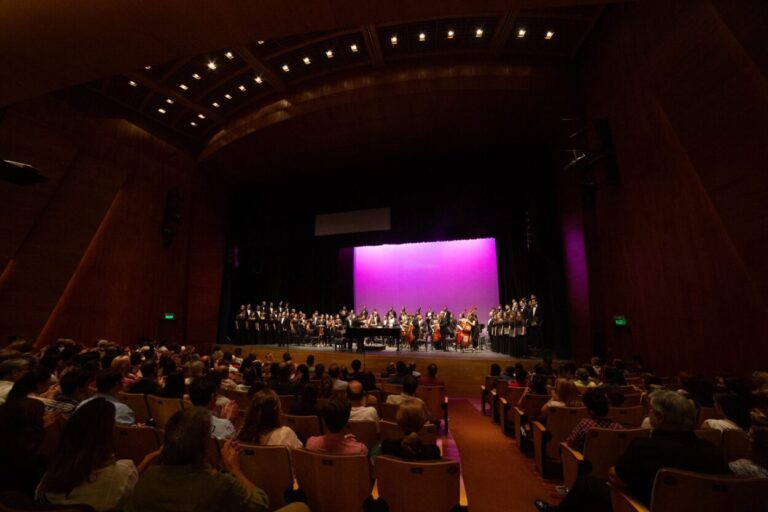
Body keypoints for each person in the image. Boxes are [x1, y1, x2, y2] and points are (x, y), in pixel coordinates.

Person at [535, 390, 731, 512]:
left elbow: (617, 477)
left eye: (652, 412)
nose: (649, 415)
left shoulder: (645, 446)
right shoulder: (712, 450)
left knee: (588, 483)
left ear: (661, 418)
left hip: (641, 505)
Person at [125, 408, 276, 512]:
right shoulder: (219, 484)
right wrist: (234, 469)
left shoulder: (147, 478)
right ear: (203, 447)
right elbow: (261, 504)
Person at [36, 398, 151, 510]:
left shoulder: (52, 471)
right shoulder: (124, 472)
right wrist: (146, 462)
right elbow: (126, 481)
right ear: (108, 434)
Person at [238, 388, 302, 448]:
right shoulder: (285, 434)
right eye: (280, 408)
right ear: (276, 411)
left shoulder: (242, 433)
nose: (281, 410)